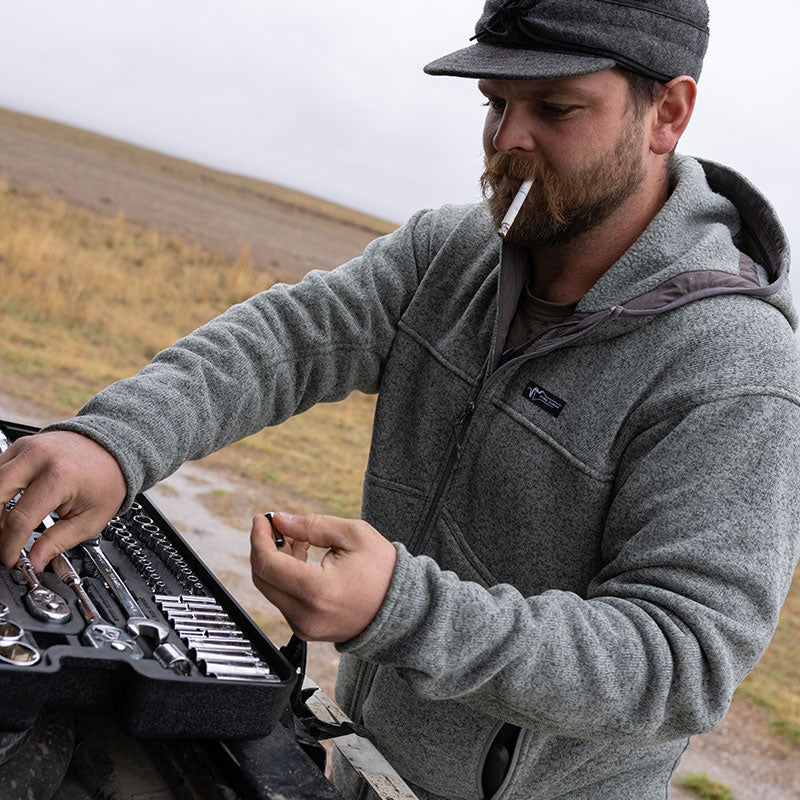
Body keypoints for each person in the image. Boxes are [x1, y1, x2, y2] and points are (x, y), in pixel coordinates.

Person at [1, 0, 799, 797]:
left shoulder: (736, 367)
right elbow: (285, 340)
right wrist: (111, 442)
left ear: (668, 112)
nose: (506, 139)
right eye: (494, 103)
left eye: (554, 108)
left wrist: (401, 609)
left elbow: (680, 661)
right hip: (359, 760)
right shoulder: (454, 253)